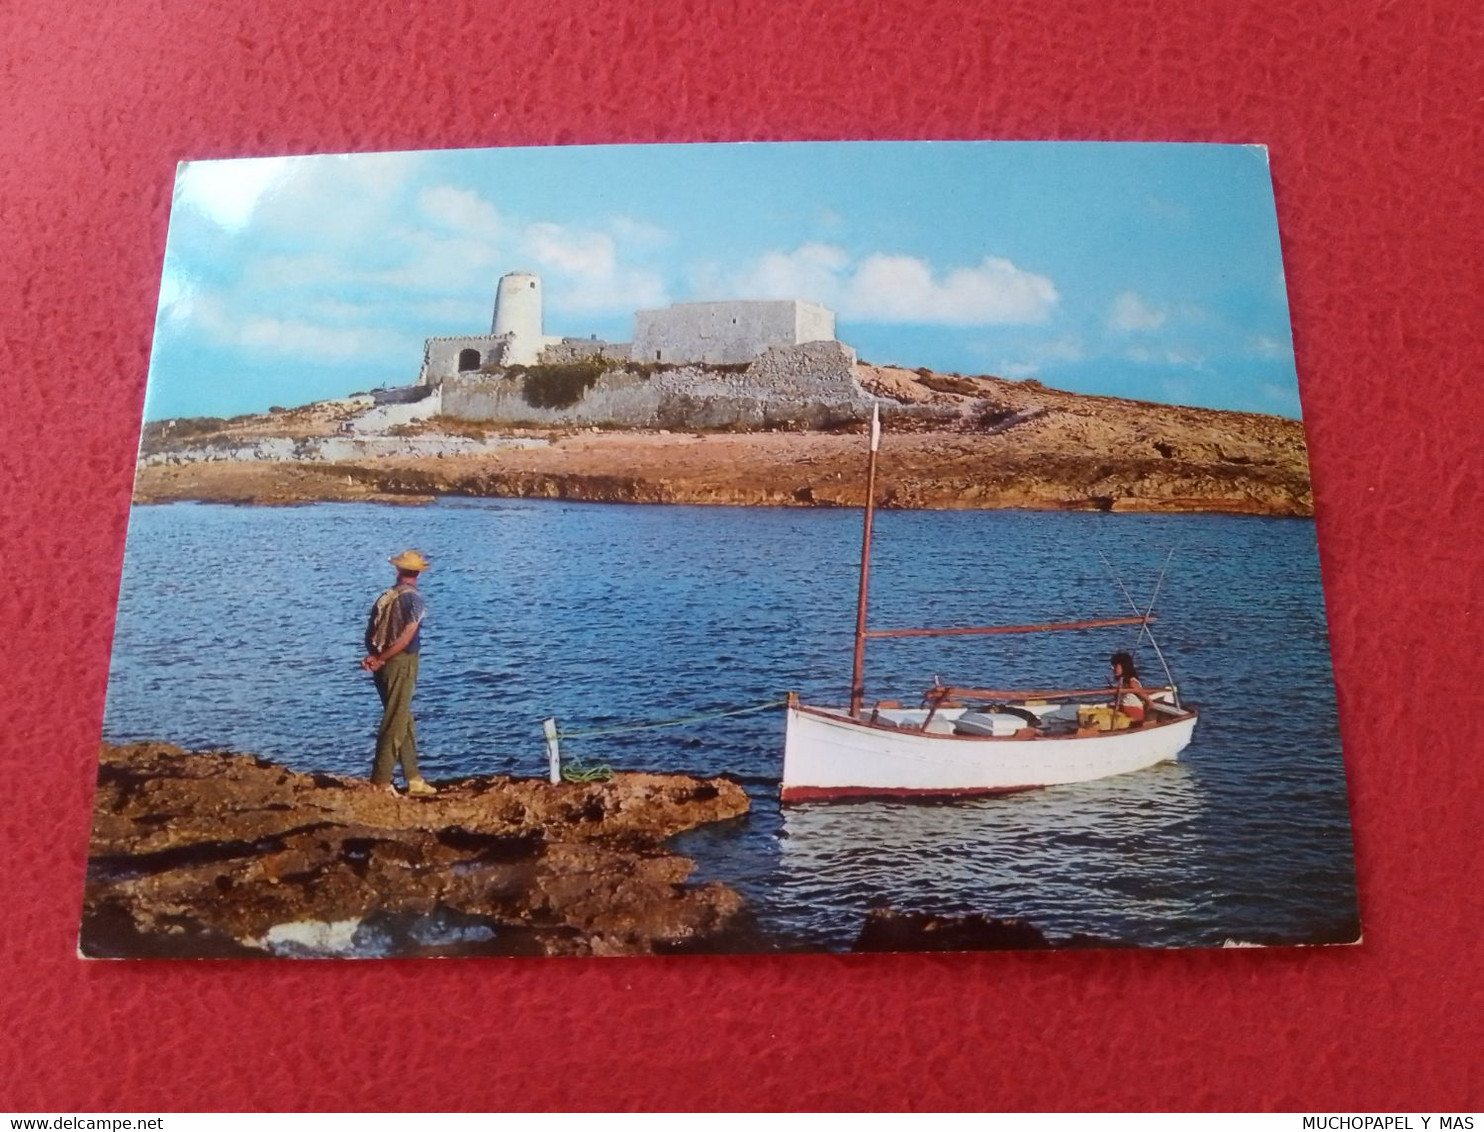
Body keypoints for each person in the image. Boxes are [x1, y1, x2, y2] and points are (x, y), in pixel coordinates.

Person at [363, 550, 436, 796]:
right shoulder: (415, 600)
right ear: (418, 573)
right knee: (396, 719)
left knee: (403, 717)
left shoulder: (387, 596)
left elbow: (372, 630)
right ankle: (381, 780)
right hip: (400, 662)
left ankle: (414, 777)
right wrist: (383, 659)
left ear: (398, 571)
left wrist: (374, 658)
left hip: (382, 661)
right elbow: (406, 637)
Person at [1109, 651, 1156, 725]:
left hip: (1134, 712)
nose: (1113, 668)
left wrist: (1149, 706)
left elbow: (1145, 697)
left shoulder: (1132, 682)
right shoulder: (1123, 681)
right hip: (1124, 711)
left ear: (1124, 666)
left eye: (1115, 666)